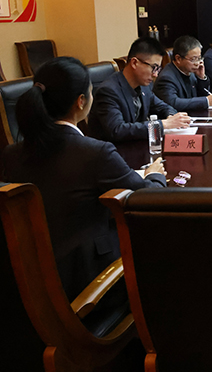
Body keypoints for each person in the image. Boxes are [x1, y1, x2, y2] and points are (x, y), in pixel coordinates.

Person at [1, 57, 166, 301]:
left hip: (26, 286)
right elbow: (146, 199)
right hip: (90, 285)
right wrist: (155, 174)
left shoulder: (11, 154)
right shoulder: (94, 152)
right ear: (81, 101)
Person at [87, 37, 191, 141]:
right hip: (113, 148)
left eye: (158, 69)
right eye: (153, 68)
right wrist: (162, 124)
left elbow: (163, 107)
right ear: (134, 63)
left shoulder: (144, 85)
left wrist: (171, 117)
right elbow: (118, 130)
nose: (155, 74)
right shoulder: (108, 91)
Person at [154, 35, 212, 111]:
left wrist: (201, 78)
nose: (197, 63)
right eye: (193, 59)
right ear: (178, 59)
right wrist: (205, 101)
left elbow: (200, 95)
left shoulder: (190, 71)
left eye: (199, 58)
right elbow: (172, 103)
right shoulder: (167, 77)